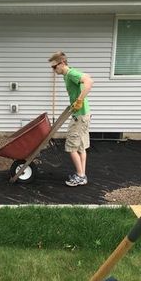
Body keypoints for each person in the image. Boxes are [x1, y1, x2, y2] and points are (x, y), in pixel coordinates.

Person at [48, 51, 93, 187]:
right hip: (82, 114)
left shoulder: (71, 73)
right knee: (80, 147)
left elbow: (89, 81)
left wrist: (79, 100)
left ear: (62, 63)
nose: (53, 70)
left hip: (80, 116)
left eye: (54, 67)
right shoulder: (67, 75)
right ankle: (81, 174)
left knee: (71, 147)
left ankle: (80, 176)